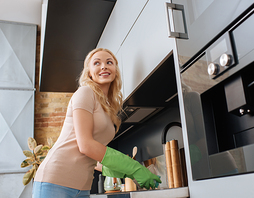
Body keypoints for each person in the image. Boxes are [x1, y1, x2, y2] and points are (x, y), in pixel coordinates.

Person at [33, 48, 161, 198]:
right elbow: (85, 145)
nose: (104, 66)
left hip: (82, 187)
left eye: (109, 62)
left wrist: (112, 169)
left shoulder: (107, 108)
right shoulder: (85, 93)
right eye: (97, 63)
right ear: (89, 72)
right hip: (56, 181)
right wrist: (134, 168)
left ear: (115, 70)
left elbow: (90, 155)